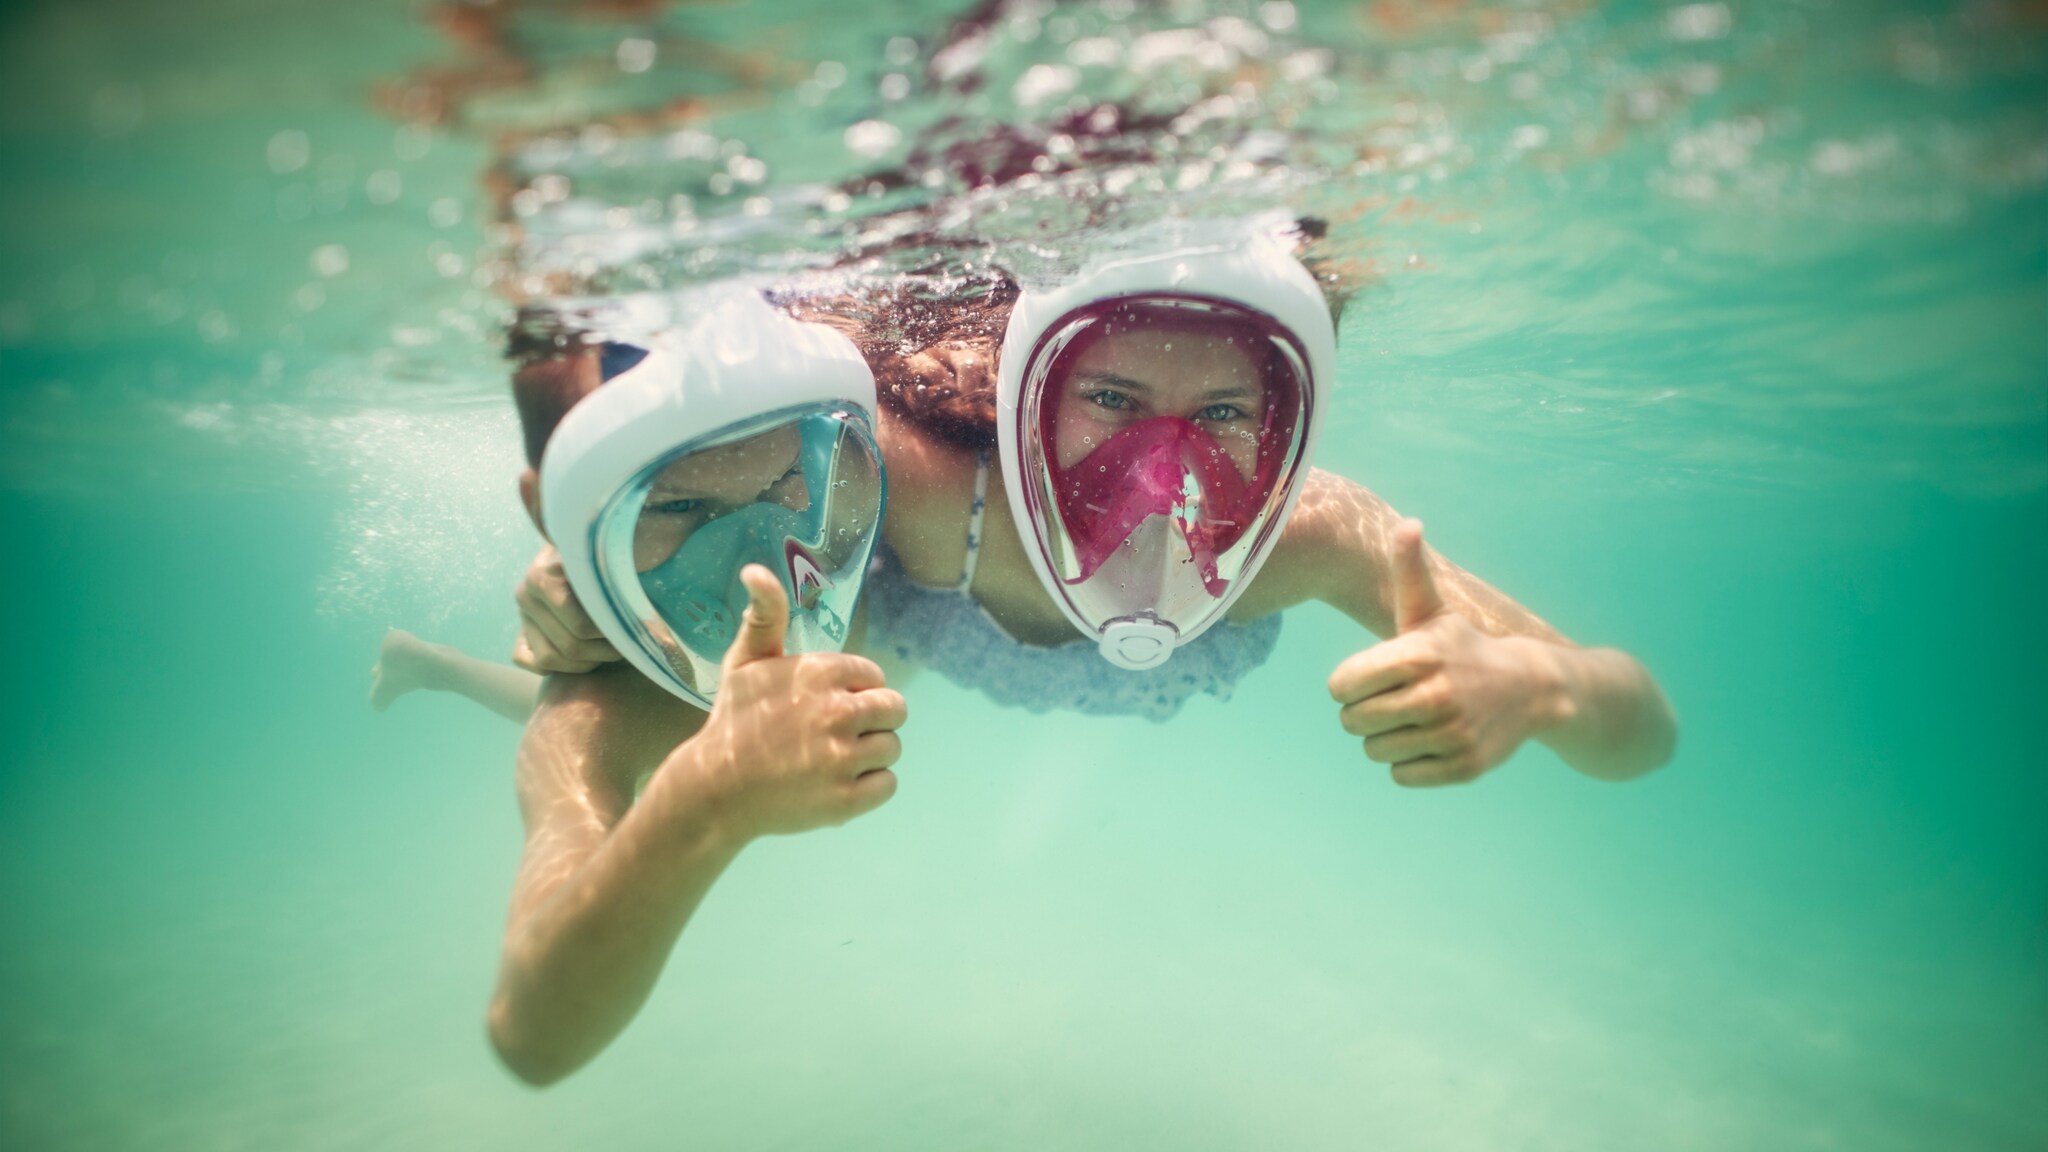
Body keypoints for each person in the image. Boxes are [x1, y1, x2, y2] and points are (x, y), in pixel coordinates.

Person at [479, 219, 1679, 1085]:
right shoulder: (885, 476)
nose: (1163, 484)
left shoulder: (1306, 532)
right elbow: (534, 1034)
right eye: (1104, 400)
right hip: (909, 629)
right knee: (709, 687)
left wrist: (1539, 686)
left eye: (1221, 418)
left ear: (1285, 422)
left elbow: (1643, 727)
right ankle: (520, 674)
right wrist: (693, 777)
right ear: (1020, 389)